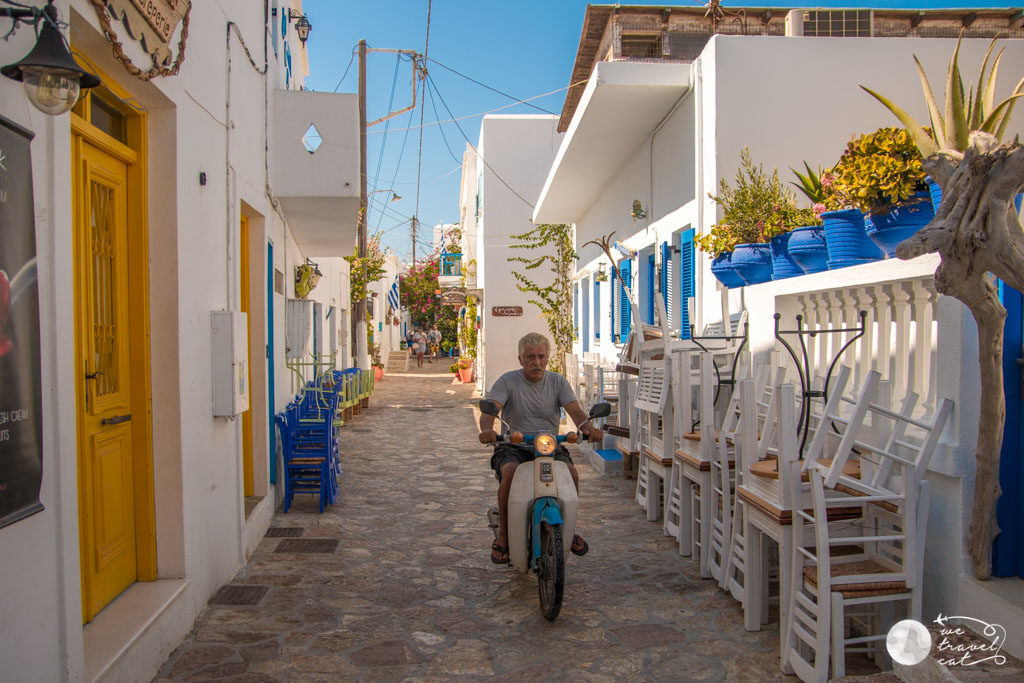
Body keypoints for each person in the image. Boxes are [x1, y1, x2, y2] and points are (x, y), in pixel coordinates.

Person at [478, 332, 602, 565]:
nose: (536, 362)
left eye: (541, 356)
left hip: (549, 445)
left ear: (547, 358)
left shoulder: (557, 382)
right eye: (530, 357)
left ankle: (568, 528)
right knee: (510, 474)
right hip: (514, 445)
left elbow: (576, 413)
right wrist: (487, 430)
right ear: (520, 359)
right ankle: (504, 536)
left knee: (571, 474)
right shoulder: (508, 381)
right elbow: (491, 410)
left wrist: (589, 427)